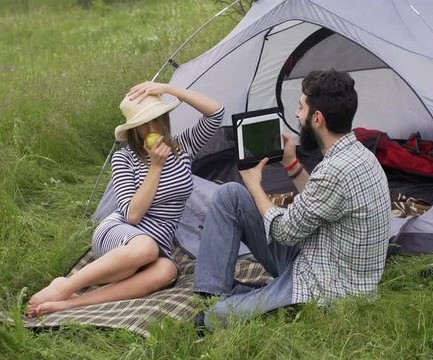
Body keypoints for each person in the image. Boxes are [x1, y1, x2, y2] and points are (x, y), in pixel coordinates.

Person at [193, 70, 391, 330]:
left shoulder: (335, 171)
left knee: (214, 319)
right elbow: (319, 202)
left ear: (317, 118)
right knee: (230, 195)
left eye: (300, 108)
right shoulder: (357, 154)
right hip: (318, 256)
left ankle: (225, 305)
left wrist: (254, 185)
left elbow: (283, 232)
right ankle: (212, 293)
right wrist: (291, 164)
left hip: (325, 288)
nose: (297, 116)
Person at [26, 82, 224, 317]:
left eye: (156, 118)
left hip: (156, 245)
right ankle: (64, 286)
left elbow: (216, 113)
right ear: (134, 129)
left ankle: (70, 304)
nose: (152, 128)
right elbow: (132, 215)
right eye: (143, 123)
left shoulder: (183, 147)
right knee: (146, 247)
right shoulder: (124, 158)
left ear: (165, 118)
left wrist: (170, 90)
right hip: (120, 234)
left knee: (168, 271)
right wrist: (155, 167)